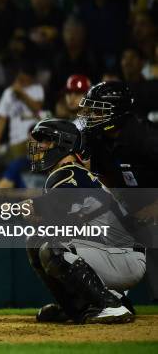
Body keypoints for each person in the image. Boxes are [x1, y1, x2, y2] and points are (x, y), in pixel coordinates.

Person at [25, 118, 145, 324]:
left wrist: (1, 209)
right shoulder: (71, 173)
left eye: (46, 140)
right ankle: (80, 307)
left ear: (62, 144)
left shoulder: (70, 172)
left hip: (123, 255)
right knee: (37, 241)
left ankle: (110, 306)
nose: (41, 146)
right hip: (114, 253)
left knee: (53, 248)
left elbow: (46, 207)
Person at [78, 80, 158, 301]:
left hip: (151, 208)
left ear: (117, 112)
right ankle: (106, 299)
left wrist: (151, 211)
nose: (92, 115)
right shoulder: (97, 138)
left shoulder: (147, 140)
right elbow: (103, 176)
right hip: (130, 208)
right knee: (90, 234)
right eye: (91, 109)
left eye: (98, 110)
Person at [0, 62, 44, 163]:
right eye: (21, 77)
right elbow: (1, 118)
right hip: (16, 141)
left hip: (34, 140)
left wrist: (22, 94)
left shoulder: (37, 89)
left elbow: (37, 108)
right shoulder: (8, 92)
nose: (23, 80)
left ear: (31, 78)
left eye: (26, 78)